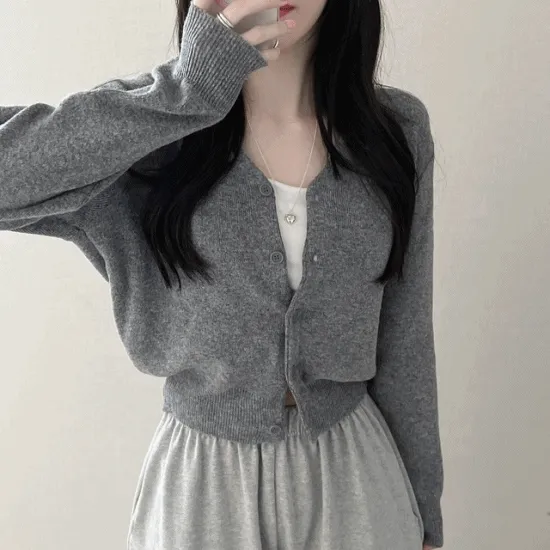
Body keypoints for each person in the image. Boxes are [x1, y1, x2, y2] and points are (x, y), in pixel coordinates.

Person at [0, 0, 444, 548]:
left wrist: (426, 513)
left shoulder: (397, 132)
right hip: (202, 492)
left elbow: (406, 338)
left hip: (357, 479)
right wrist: (189, 92)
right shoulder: (147, 135)